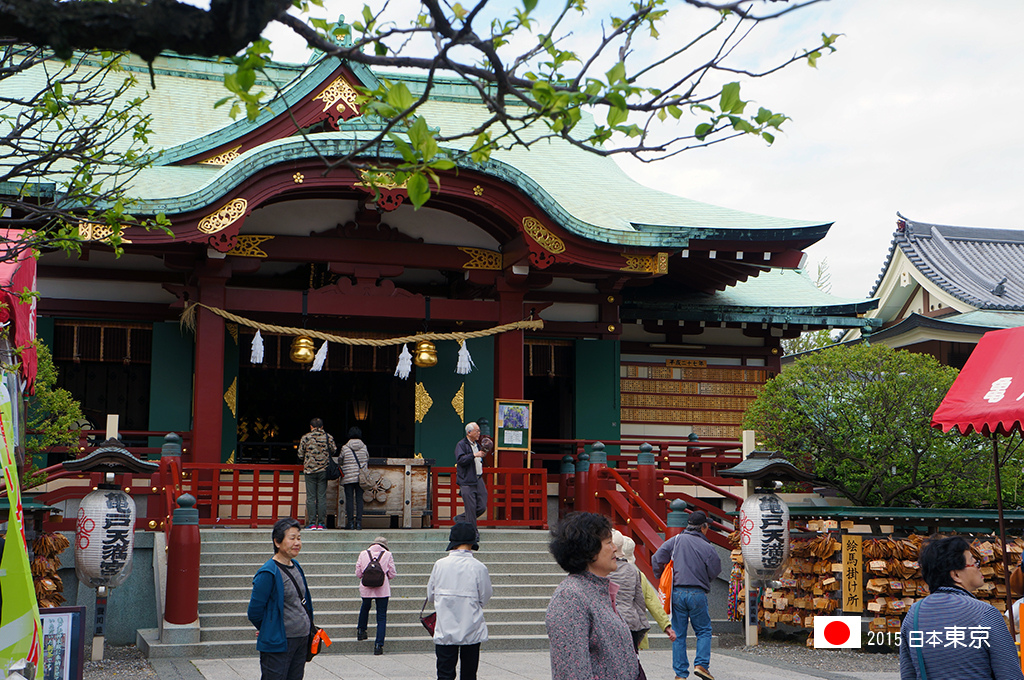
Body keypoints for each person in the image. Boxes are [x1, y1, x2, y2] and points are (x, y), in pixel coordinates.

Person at [899, 536, 1024, 680]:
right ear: (956, 574)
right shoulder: (985, 613)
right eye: (974, 562)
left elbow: (908, 674)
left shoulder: (913, 614)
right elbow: (1011, 675)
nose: (979, 567)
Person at [546, 512, 639, 680]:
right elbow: (571, 671)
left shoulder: (598, 589)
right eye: (608, 543)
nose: (615, 549)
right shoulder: (570, 597)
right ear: (589, 549)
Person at [651, 510, 721, 680]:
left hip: (677, 592)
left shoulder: (675, 540)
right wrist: (706, 578)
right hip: (697, 592)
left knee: (678, 634)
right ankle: (701, 665)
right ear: (703, 527)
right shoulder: (707, 547)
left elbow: (656, 558)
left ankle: (680, 674)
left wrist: (661, 575)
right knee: (703, 631)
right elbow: (716, 569)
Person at [247, 518, 314, 680]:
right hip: (279, 642)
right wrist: (270, 627)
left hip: (301, 639)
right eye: (292, 538)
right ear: (277, 542)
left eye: (299, 538)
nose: (297, 542)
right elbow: (254, 611)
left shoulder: (296, 565)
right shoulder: (268, 572)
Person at [427, 522, 492, 680]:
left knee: (444, 673)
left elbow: (430, 595)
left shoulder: (440, 565)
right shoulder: (479, 567)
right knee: (469, 674)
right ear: (472, 542)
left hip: (445, 627)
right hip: (471, 626)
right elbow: (485, 596)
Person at [619, 533, 675, 650]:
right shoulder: (639, 576)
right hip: (635, 624)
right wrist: (666, 625)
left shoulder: (608, 573)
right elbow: (652, 601)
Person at [355, 535, 397, 655]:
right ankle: (379, 645)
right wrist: (384, 576)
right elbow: (393, 573)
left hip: (366, 587)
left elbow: (358, 572)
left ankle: (361, 631)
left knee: (365, 607)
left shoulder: (363, 553)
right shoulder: (388, 555)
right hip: (382, 588)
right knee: (381, 616)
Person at [608, 530, 649, 650]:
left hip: (610, 621)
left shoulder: (603, 571)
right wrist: (642, 628)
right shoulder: (633, 570)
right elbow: (639, 601)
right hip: (631, 620)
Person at [297, 418, 336, 530]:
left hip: (309, 470)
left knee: (311, 497)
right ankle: (321, 523)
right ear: (322, 427)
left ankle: (312, 523)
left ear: (311, 426)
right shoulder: (328, 437)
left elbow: (300, 454)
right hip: (323, 470)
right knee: (322, 497)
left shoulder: (306, 437)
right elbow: (333, 451)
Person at [453, 422, 487, 542]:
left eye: (479, 431)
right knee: (471, 508)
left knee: (482, 505)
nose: (479, 433)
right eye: (477, 431)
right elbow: (461, 460)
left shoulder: (477, 444)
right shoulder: (461, 445)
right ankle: (473, 534)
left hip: (478, 478)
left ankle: (461, 519)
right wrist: (474, 455)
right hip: (467, 481)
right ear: (469, 432)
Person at [339, 426, 369, 530]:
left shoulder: (345, 447)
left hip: (348, 476)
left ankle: (350, 523)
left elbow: (340, 460)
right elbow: (367, 458)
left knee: (349, 499)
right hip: (361, 477)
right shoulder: (364, 447)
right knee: (359, 499)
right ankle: (359, 523)